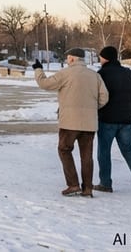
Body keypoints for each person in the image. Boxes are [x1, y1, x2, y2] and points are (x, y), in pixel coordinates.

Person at [34, 48, 109, 197]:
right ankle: (88, 188)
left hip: (69, 122)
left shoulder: (65, 73)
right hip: (89, 123)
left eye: (68, 58)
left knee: (64, 150)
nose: (67, 60)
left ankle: (73, 184)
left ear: (73, 59)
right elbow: (104, 98)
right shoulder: (95, 76)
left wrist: (38, 70)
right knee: (86, 156)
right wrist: (91, 109)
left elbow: (45, 84)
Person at [95, 46, 131, 195]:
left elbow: (98, 96)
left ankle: (105, 183)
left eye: (100, 57)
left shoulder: (101, 74)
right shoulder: (129, 73)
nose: (99, 59)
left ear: (105, 58)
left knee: (104, 151)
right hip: (127, 119)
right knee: (128, 149)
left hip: (107, 119)